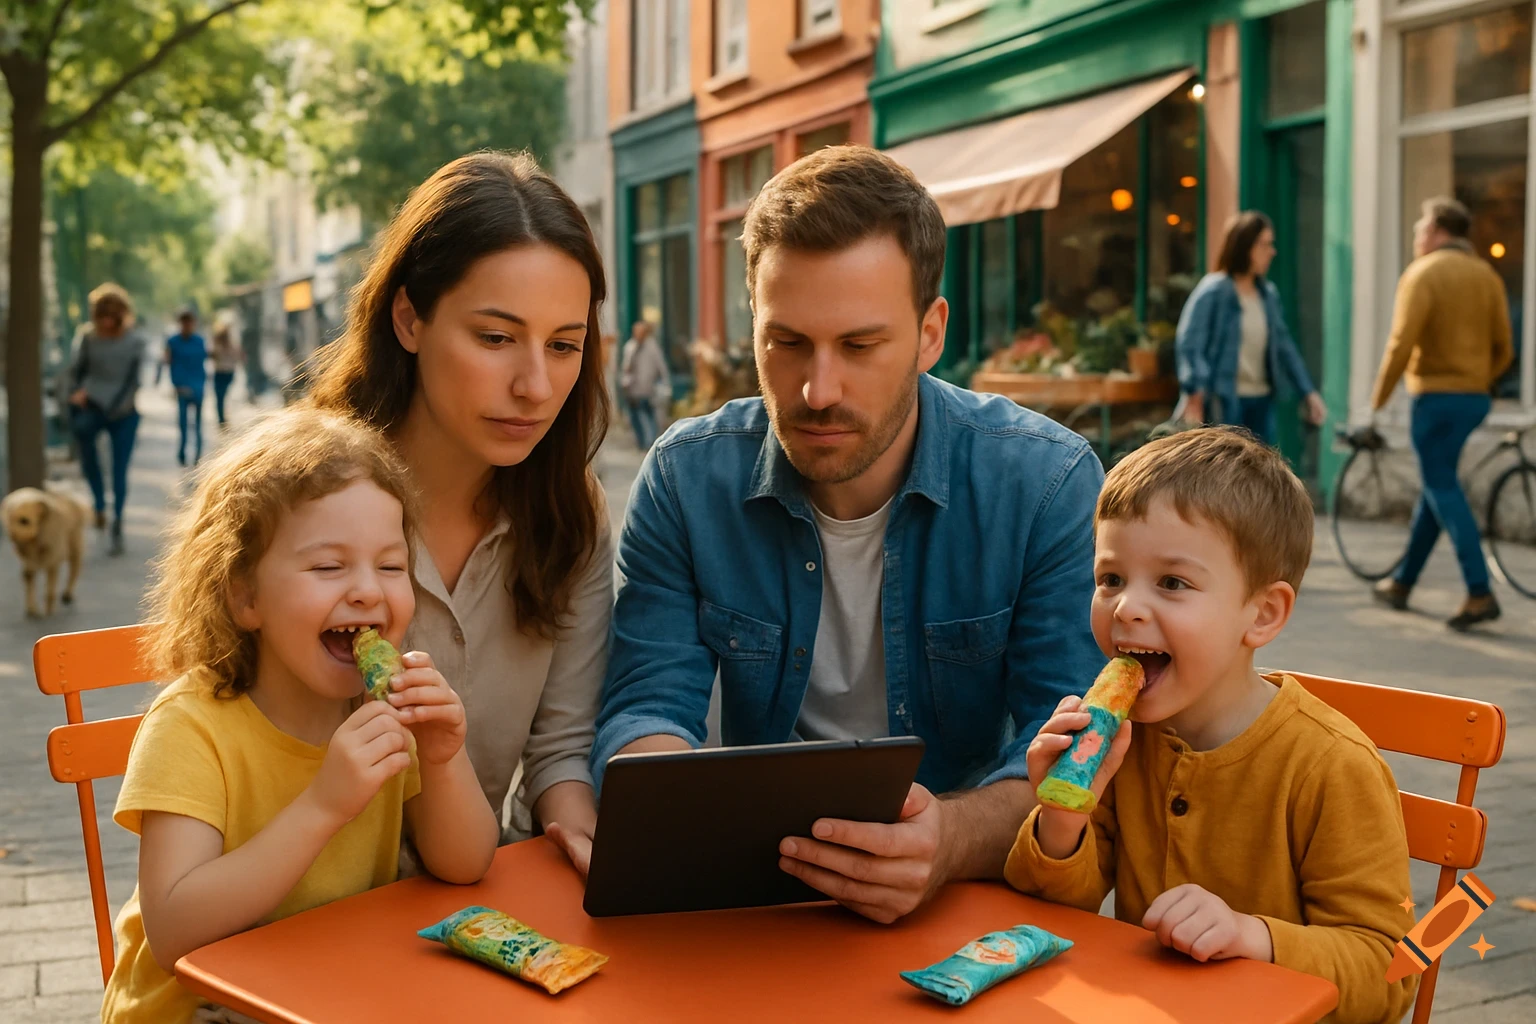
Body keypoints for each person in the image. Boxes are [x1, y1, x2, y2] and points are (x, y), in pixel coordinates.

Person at [593, 145, 1104, 924]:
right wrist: (669, 816)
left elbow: (1069, 745)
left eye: (860, 347)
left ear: (931, 333)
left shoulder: (1045, 484)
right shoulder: (686, 479)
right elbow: (646, 708)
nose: (816, 390)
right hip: (756, 895)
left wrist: (951, 840)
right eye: (786, 341)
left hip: (968, 897)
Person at [1004, 428, 1416, 1024]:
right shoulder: (1126, 742)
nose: (1126, 607)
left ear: (1263, 613)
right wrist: (1062, 819)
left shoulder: (1331, 766)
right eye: (1110, 578)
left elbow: (1391, 970)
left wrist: (1254, 937)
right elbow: (1056, 913)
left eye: (1172, 583)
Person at [100, 410, 498, 1024]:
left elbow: (466, 864)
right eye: (328, 566)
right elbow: (176, 932)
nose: (368, 590)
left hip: (327, 991)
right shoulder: (192, 726)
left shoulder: (382, 712)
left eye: (391, 566)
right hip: (195, 1009)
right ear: (246, 596)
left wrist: (444, 760)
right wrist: (323, 806)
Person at [308, 151, 613, 874]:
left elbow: (562, 749)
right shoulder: (300, 496)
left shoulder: (572, 513)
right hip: (300, 916)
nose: (536, 385)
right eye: (497, 338)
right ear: (409, 317)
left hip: (473, 900)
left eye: (564, 346)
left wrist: (585, 848)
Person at [1370, 197, 1513, 631]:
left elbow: (1401, 343)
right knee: (1436, 488)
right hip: (1475, 398)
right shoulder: (1487, 275)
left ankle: (1479, 590)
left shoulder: (1423, 273)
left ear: (1435, 231)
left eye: (1419, 229)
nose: (1417, 238)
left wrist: (1377, 402)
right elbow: (1505, 346)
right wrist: (1478, 378)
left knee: (1442, 486)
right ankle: (1403, 583)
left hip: (1434, 399)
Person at [1175, 211, 1327, 443]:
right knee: (1225, 473)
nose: (1272, 252)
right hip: (1225, 403)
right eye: (1265, 245)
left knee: (1260, 473)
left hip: (1262, 402)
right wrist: (1194, 391)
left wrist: (1308, 393)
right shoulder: (1214, 290)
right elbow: (1190, 343)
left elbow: (1285, 348)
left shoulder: (1267, 294)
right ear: (1245, 247)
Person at [67, 282, 146, 556]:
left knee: (119, 469)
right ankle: (99, 503)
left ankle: (118, 520)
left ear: (122, 315)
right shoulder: (87, 337)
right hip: (92, 405)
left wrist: (117, 406)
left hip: (123, 412)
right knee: (88, 456)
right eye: (102, 317)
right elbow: (76, 371)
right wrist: (76, 393)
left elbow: (134, 382)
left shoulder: (135, 341)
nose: (106, 323)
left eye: (112, 317)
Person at [165, 310, 208, 465]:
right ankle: (182, 452)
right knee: (183, 423)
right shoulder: (173, 341)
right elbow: (168, 362)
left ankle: (197, 453)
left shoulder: (200, 341)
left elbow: (204, 359)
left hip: (197, 386)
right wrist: (175, 384)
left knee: (197, 423)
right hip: (182, 386)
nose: (187, 326)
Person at [619, 320, 668, 449]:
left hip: (648, 388)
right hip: (632, 389)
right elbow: (626, 367)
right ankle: (641, 442)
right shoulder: (630, 347)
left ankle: (651, 443)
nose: (638, 335)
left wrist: (665, 384)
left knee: (648, 416)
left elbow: (661, 367)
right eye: (636, 332)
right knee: (635, 417)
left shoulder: (653, 348)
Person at [210, 320, 244, 428]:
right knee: (221, 397)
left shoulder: (230, 344)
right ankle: (221, 419)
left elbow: (238, 356)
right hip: (221, 372)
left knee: (221, 396)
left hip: (226, 373)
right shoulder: (218, 343)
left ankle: (222, 418)